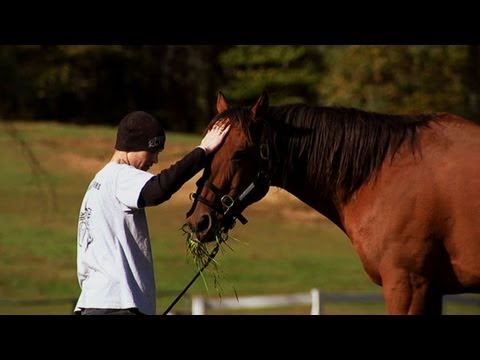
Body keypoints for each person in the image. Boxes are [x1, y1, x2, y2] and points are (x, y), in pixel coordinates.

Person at [74, 110, 230, 315]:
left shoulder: (99, 182)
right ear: (133, 146)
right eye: (152, 151)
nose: (155, 159)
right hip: (118, 305)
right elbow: (158, 190)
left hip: (95, 303)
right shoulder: (119, 176)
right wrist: (203, 151)